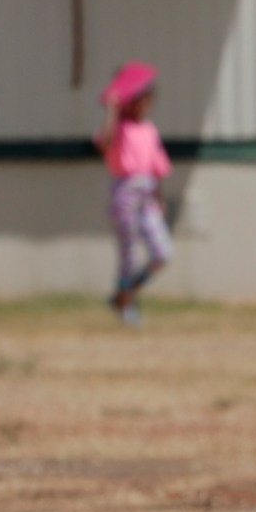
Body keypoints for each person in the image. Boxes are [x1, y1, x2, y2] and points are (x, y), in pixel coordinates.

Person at [94, 61, 172, 327]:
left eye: (147, 100)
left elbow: (158, 168)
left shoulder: (149, 131)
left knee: (161, 253)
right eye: (138, 100)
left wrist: (160, 198)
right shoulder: (118, 129)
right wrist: (112, 110)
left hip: (147, 194)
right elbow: (104, 142)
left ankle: (123, 294)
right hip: (125, 191)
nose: (143, 106)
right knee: (129, 253)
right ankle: (126, 305)